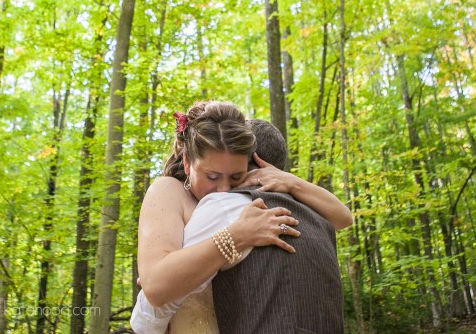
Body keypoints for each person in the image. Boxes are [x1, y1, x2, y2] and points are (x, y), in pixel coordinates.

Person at [133, 107, 352, 334]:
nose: (224, 188)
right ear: (187, 162)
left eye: (237, 177)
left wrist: (290, 181)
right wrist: (236, 237)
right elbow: (155, 293)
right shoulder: (172, 192)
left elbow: (344, 217)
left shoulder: (238, 202)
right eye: (212, 176)